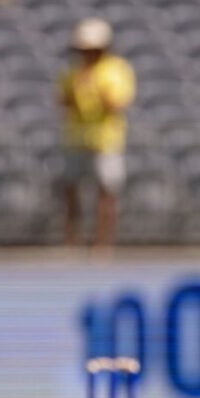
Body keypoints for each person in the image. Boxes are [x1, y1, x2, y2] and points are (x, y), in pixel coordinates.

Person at [58, 18, 136, 248]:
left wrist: (94, 89)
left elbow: (117, 104)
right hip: (76, 138)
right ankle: (73, 241)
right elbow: (63, 101)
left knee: (107, 193)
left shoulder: (116, 70)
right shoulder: (73, 72)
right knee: (72, 191)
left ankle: (103, 244)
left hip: (106, 140)